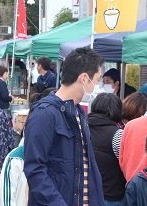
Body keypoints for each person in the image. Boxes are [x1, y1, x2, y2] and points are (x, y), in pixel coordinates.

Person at [24, 47, 105, 206]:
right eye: (97, 79)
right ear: (83, 78)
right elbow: (34, 169)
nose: (98, 85)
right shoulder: (44, 114)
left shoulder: (79, 112)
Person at [88, 93, 126, 206]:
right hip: (111, 195)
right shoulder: (118, 135)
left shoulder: (81, 128)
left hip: (84, 193)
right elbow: (126, 165)